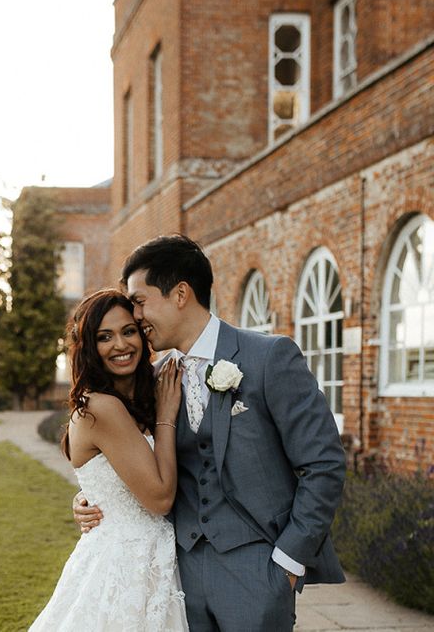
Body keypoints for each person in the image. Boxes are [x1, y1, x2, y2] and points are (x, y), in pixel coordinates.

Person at [75, 235, 346, 631]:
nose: (135, 316)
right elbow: (122, 453)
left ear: (181, 293)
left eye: (139, 300)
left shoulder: (268, 357)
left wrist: (287, 563)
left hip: (258, 572)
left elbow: (323, 464)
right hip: (178, 576)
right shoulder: (152, 380)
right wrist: (91, 496)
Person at [29, 288, 190, 631]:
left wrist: (90, 497)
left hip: (153, 560)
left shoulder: (139, 394)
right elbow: (160, 498)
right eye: (105, 337)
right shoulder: (102, 407)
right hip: (124, 569)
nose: (120, 345)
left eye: (128, 331)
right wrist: (167, 416)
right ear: (89, 347)